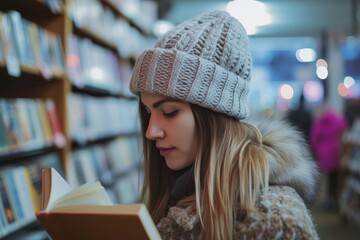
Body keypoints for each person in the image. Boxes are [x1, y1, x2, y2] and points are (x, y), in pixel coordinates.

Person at [130, 10, 319, 239]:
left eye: (169, 112)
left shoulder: (275, 220)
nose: (151, 131)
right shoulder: (177, 186)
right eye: (148, 113)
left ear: (215, 114)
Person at [310, 106, 348, 210]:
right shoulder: (338, 120)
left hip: (321, 152)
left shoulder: (319, 121)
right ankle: (331, 199)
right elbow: (344, 131)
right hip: (335, 152)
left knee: (317, 176)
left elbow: (314, 137)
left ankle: (312, 197)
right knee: (333, 178)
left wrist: (315, 150)